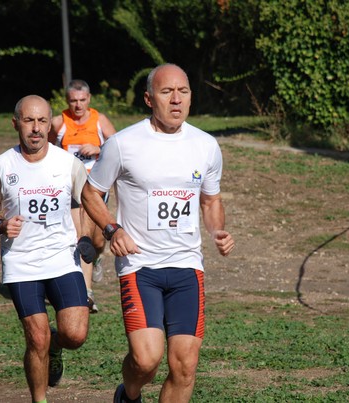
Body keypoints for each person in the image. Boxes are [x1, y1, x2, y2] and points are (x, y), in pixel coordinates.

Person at [82, 63, 235, 403]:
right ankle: (129, 394)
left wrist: (217, 230)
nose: (176, 100)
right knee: (146, 360)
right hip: (140, 266)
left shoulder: (206, 145)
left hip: (186, 265)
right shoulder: (123, 144)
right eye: (167, 92)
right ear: (150, 99)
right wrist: (112, 229)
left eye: (183, 92)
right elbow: (90, 193)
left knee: (185, 366)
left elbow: (211, 201)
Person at [0, 95, 91, 403]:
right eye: (29, 121)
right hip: (21, 261)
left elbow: (89, 201)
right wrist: (0, 224)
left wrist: (89, 236)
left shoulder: (68, 163)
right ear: (16, 124)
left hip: (62, 258)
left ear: (49, 125)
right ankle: (39, 399)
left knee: (75, 335)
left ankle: (56, 347)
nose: (36, 129)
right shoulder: (2, 165)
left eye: (42, 121)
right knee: (36, 337)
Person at [48, 79, 117, 313]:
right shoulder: (59, 123)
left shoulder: (100, 120)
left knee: (98, 241)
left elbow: (118, 147)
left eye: (82, 100)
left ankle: (96, 259)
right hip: (71, 188)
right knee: (81, 238)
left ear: (89, 99)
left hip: (97, 188)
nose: (78, 105)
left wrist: (98, 149)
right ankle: (86, 294)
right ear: (67, 101)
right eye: (73, 101)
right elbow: (45, 150)